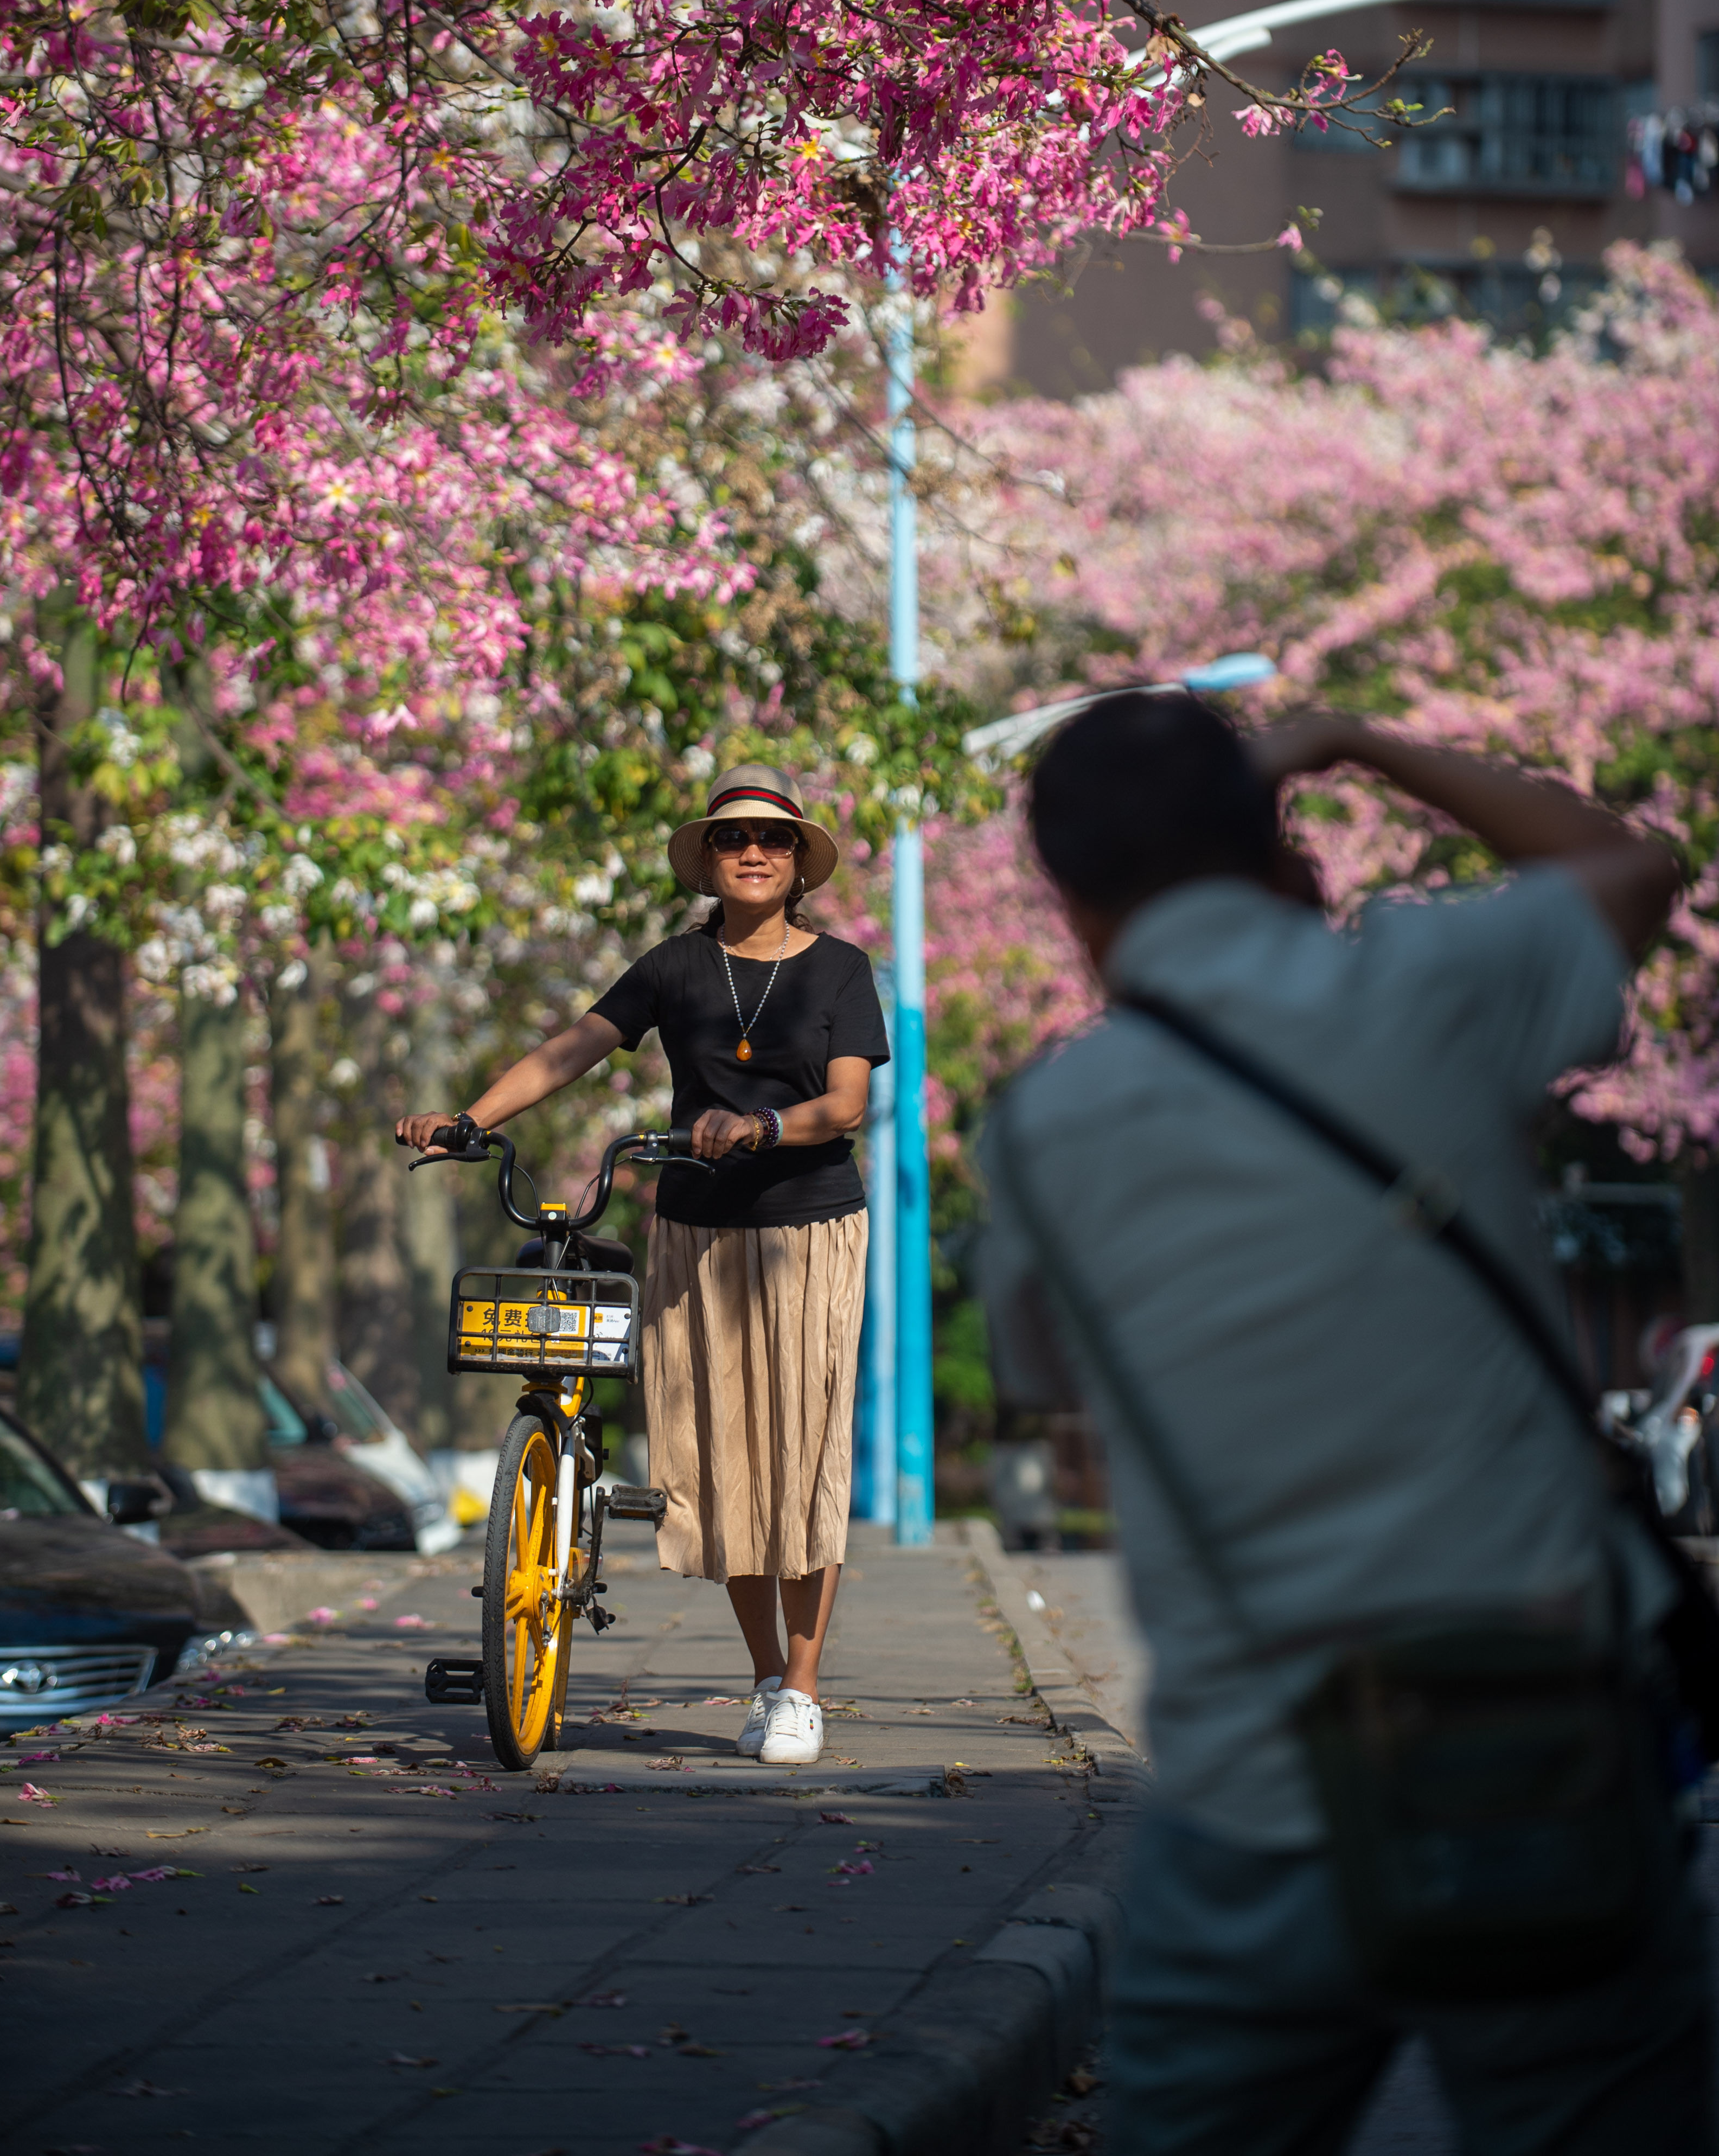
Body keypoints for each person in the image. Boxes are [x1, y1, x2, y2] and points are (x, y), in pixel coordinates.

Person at [979, 689, 1706, 2155]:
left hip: (1257, 1782)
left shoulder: (1041, 1135)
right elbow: (1634, 868)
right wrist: (1365, 742)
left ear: (1068, 900)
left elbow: (1051, 1391)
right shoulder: (1431, 985)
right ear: (1274, 836)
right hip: (1538, 1752)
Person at [397, 763, 888, 1770]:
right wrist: (467, 1122)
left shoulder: (840, 970)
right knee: (722, 1463)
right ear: (708, 860)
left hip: (808, 1231)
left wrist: (758, 1126)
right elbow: (573, 1047)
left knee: (804, 1462)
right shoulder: (672, 967)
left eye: (776, 839)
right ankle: (763, 1679)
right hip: (694, 1233)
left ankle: (803, 1686)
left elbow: (845, 1107)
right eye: (732, 837)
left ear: (800, 865)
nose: (754, 850)